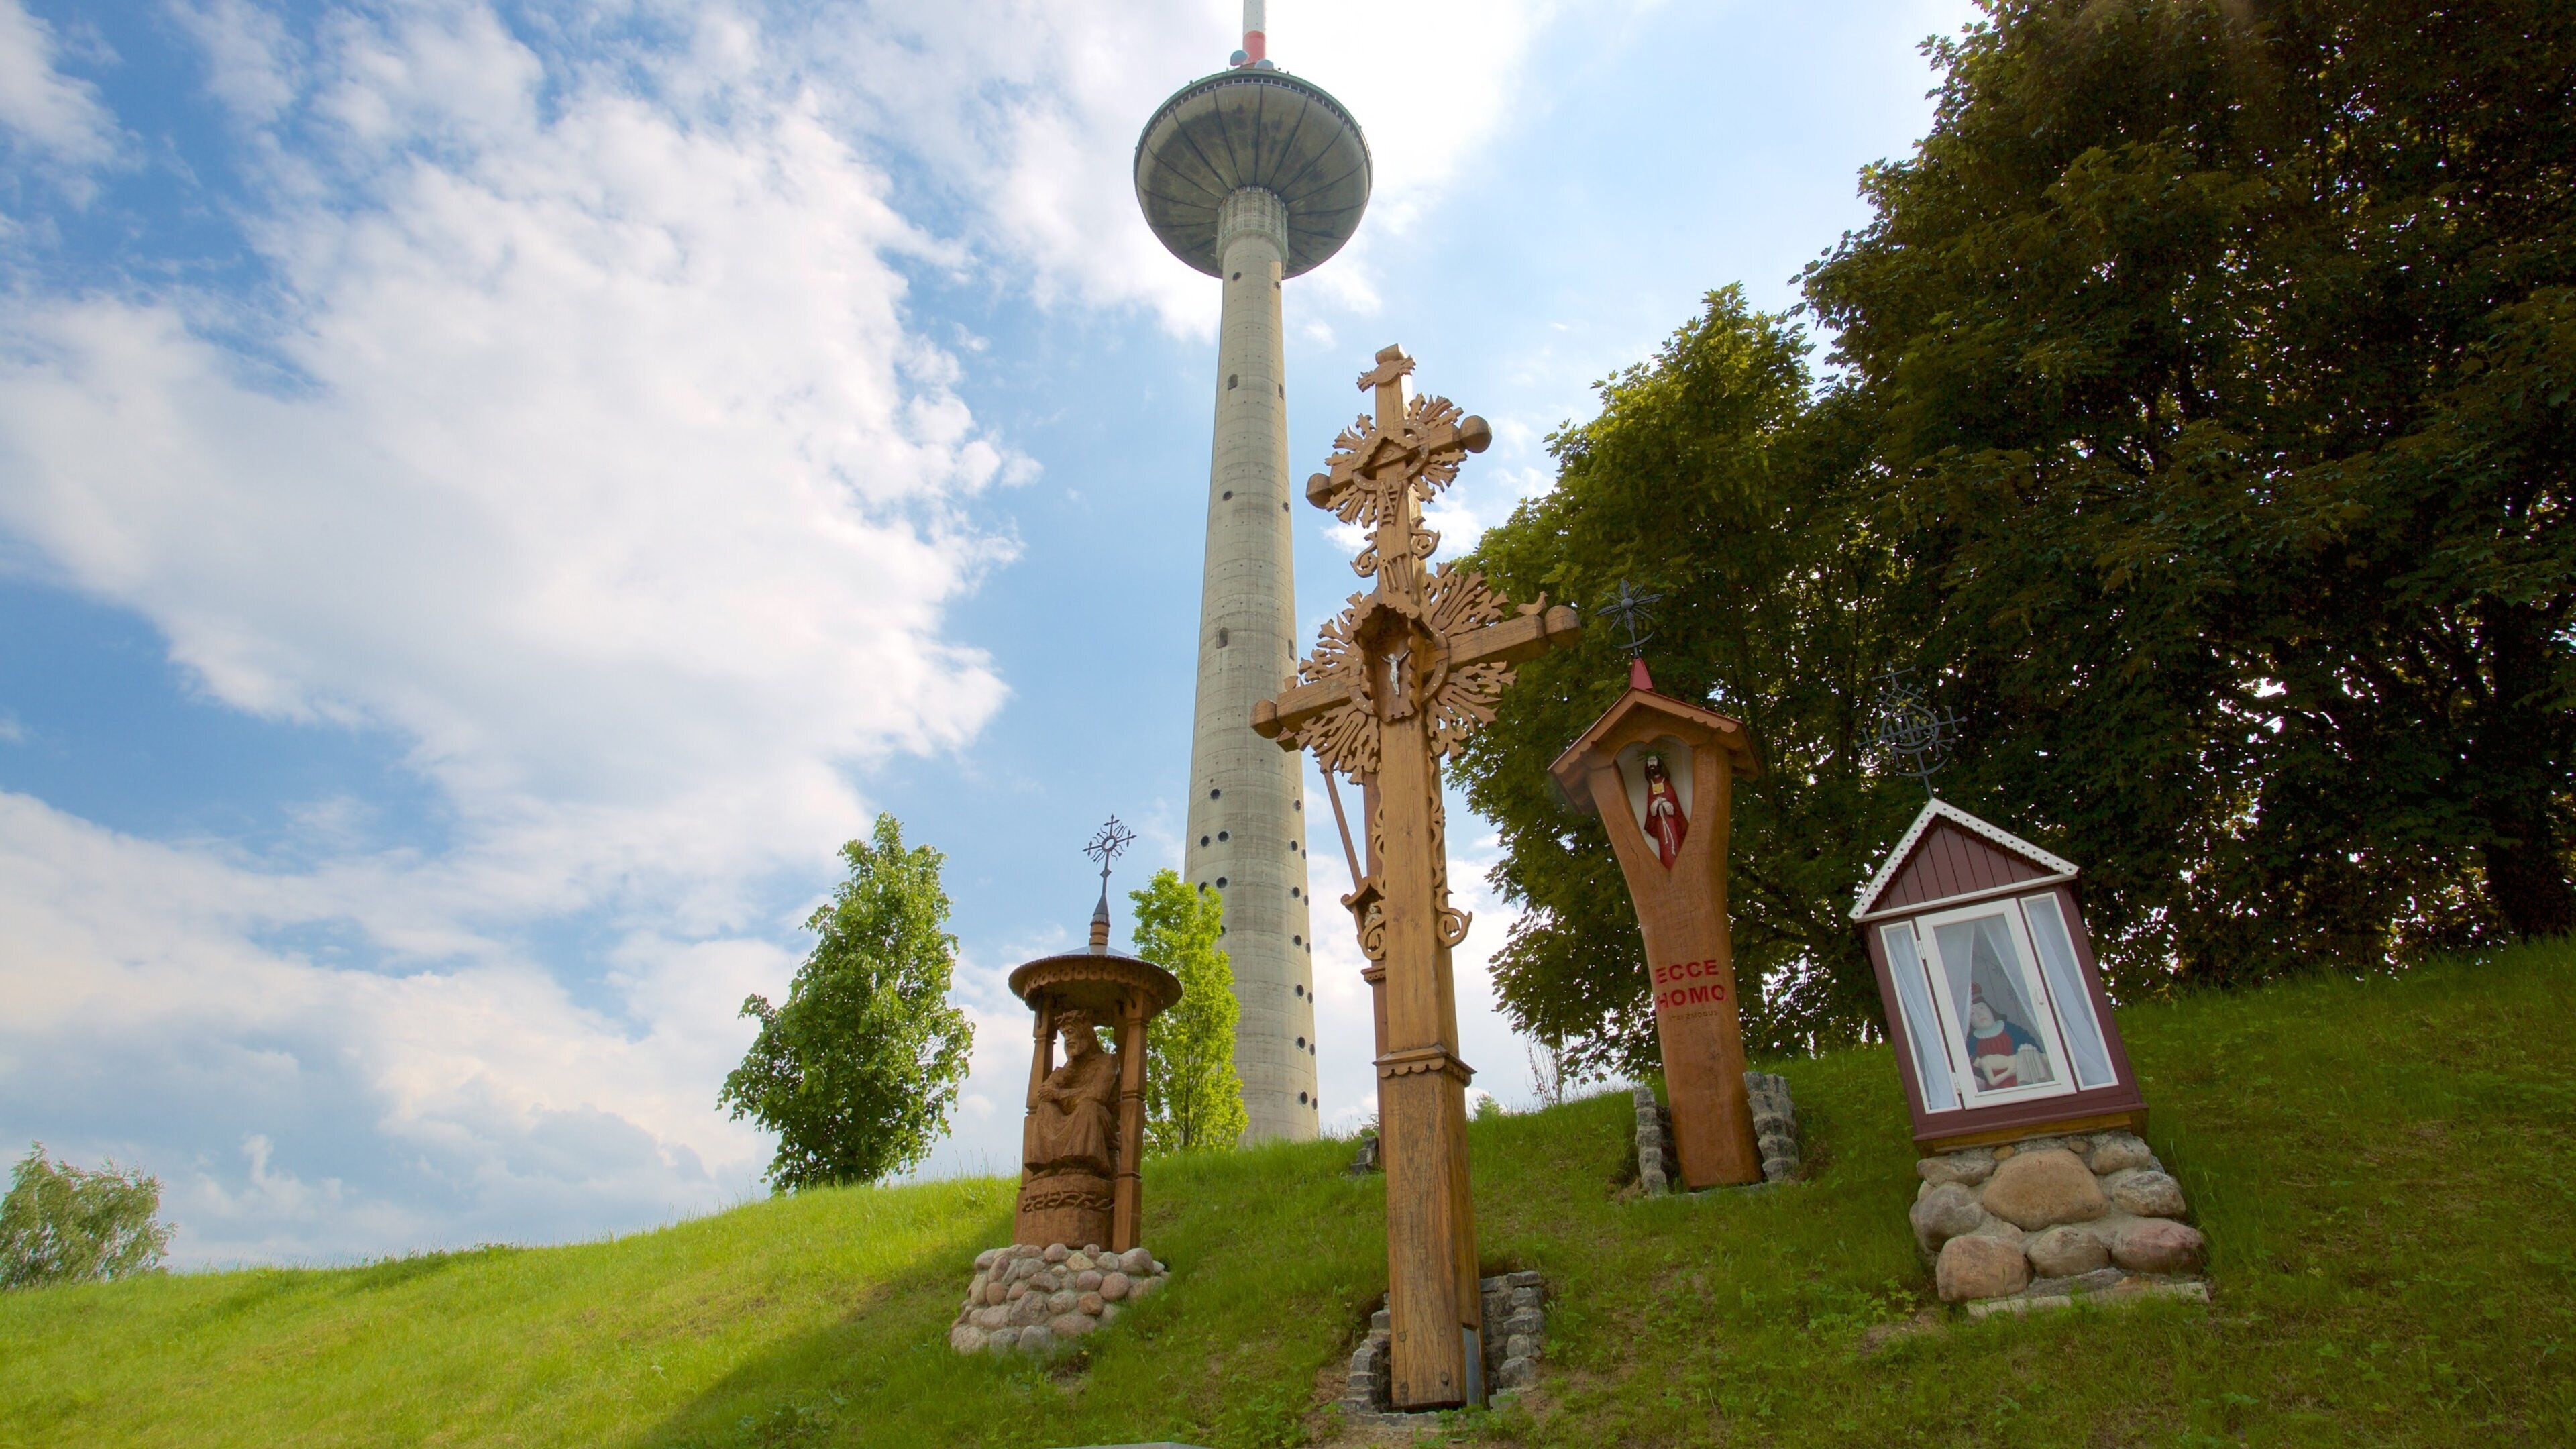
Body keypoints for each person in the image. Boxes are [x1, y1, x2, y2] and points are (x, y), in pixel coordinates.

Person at [1024, 1008, 1120, 1177]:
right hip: (1072, 1117)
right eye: (1064, 1035)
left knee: (1088, 1106)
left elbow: (1096, 1094)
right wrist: (1070, 1067)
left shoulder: (1107, 1062)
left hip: (1098, 1121)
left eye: (1070, 1032)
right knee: (1046, 1107)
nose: (1067, 1039)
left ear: (1085, 1033)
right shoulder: (1070, 1067)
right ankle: (1049, 1166)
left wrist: (1059, 1095)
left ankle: (1083, 1163)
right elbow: (1044, 1093)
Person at [1963, 985, 2051, 1090]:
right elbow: (1970, 1066)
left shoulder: (2012, 1030)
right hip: (1997, 1089)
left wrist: (2028, 1052)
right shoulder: (1972, 1042)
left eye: (1982, 1008)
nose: (1980, 1014)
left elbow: (2036, 1052)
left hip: (2023, 1082)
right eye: (1973, 1014)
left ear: (1990, 1009)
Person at [1642, 753, 1688, 867]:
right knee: (1664, 844)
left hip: (1671, 820)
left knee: (1675, 841)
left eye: (1653, 760)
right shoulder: (1651, 785)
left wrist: (1664, 801)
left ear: (1659, 763)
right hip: (1660, 821)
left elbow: (1672, 797)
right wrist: (1656, 803)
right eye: (1649, 761)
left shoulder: (1665, 782)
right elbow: (1651, 801)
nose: (1651, 763)